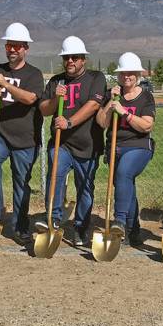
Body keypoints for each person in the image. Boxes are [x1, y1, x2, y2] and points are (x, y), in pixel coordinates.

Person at [0, 23, 43, 246]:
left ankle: (21, 226)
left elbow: (30, 98)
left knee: (21, 183)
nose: (12, 49)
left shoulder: (34, 74)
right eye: (8, 45)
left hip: (26, 139)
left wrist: (5, 85)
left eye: (16, 46)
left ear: (26, 48)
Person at [40, 36, 106, 247]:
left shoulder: (96, 78)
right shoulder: (56, 81)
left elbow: (94, 105)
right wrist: (56, 99)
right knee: (55, 180)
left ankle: (80, 227)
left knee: (85, 188)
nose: (70, 61)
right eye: (67, 57)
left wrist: (69, 122)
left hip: (88, 145)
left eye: (75, 57)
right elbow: (43, 109)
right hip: (61, 144)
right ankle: (54, 220)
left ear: (83, 59)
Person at [95, 52, 155, 246]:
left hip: (138, 146)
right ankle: (133, 230)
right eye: (123, 73)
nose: (127, 76)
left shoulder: (146, 97)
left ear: (137, 74)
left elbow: (147, 126)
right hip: (115, 147)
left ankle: (119, 220)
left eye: (131, 73)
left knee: (124, 173)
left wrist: (125, 114)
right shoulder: (112, 94)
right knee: (125, 185)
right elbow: (102, 123)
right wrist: (111, 106)